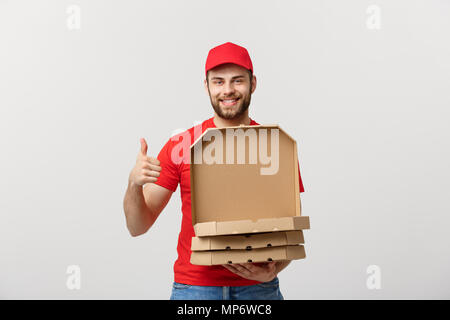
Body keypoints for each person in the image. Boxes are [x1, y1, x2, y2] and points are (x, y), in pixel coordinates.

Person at [123, 42, 305, 300]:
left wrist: (274, 270)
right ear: (206, 86)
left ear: (253, 84)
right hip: (195, 289)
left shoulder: (276, 145)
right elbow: (137, 226)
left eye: (237, 81)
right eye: (218, 81)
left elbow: (289, 230)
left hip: (259, 290)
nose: (228, 90)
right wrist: (134, 185)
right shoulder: (182, 146)